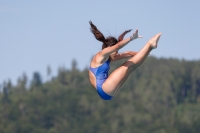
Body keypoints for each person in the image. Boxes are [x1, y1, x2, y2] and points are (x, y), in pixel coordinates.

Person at [88, 21, 162, 100]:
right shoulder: (101, 55)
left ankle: (150, 47)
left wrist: (145, 52)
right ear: (109, 49)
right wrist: (131, 38)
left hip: (107, 93)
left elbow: (127, 53)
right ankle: (150, 44)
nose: (116, 54)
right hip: (104, 89)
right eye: (115, 52)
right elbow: (117, 46)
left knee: (131, 68)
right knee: (128, 65)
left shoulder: (107, 58)